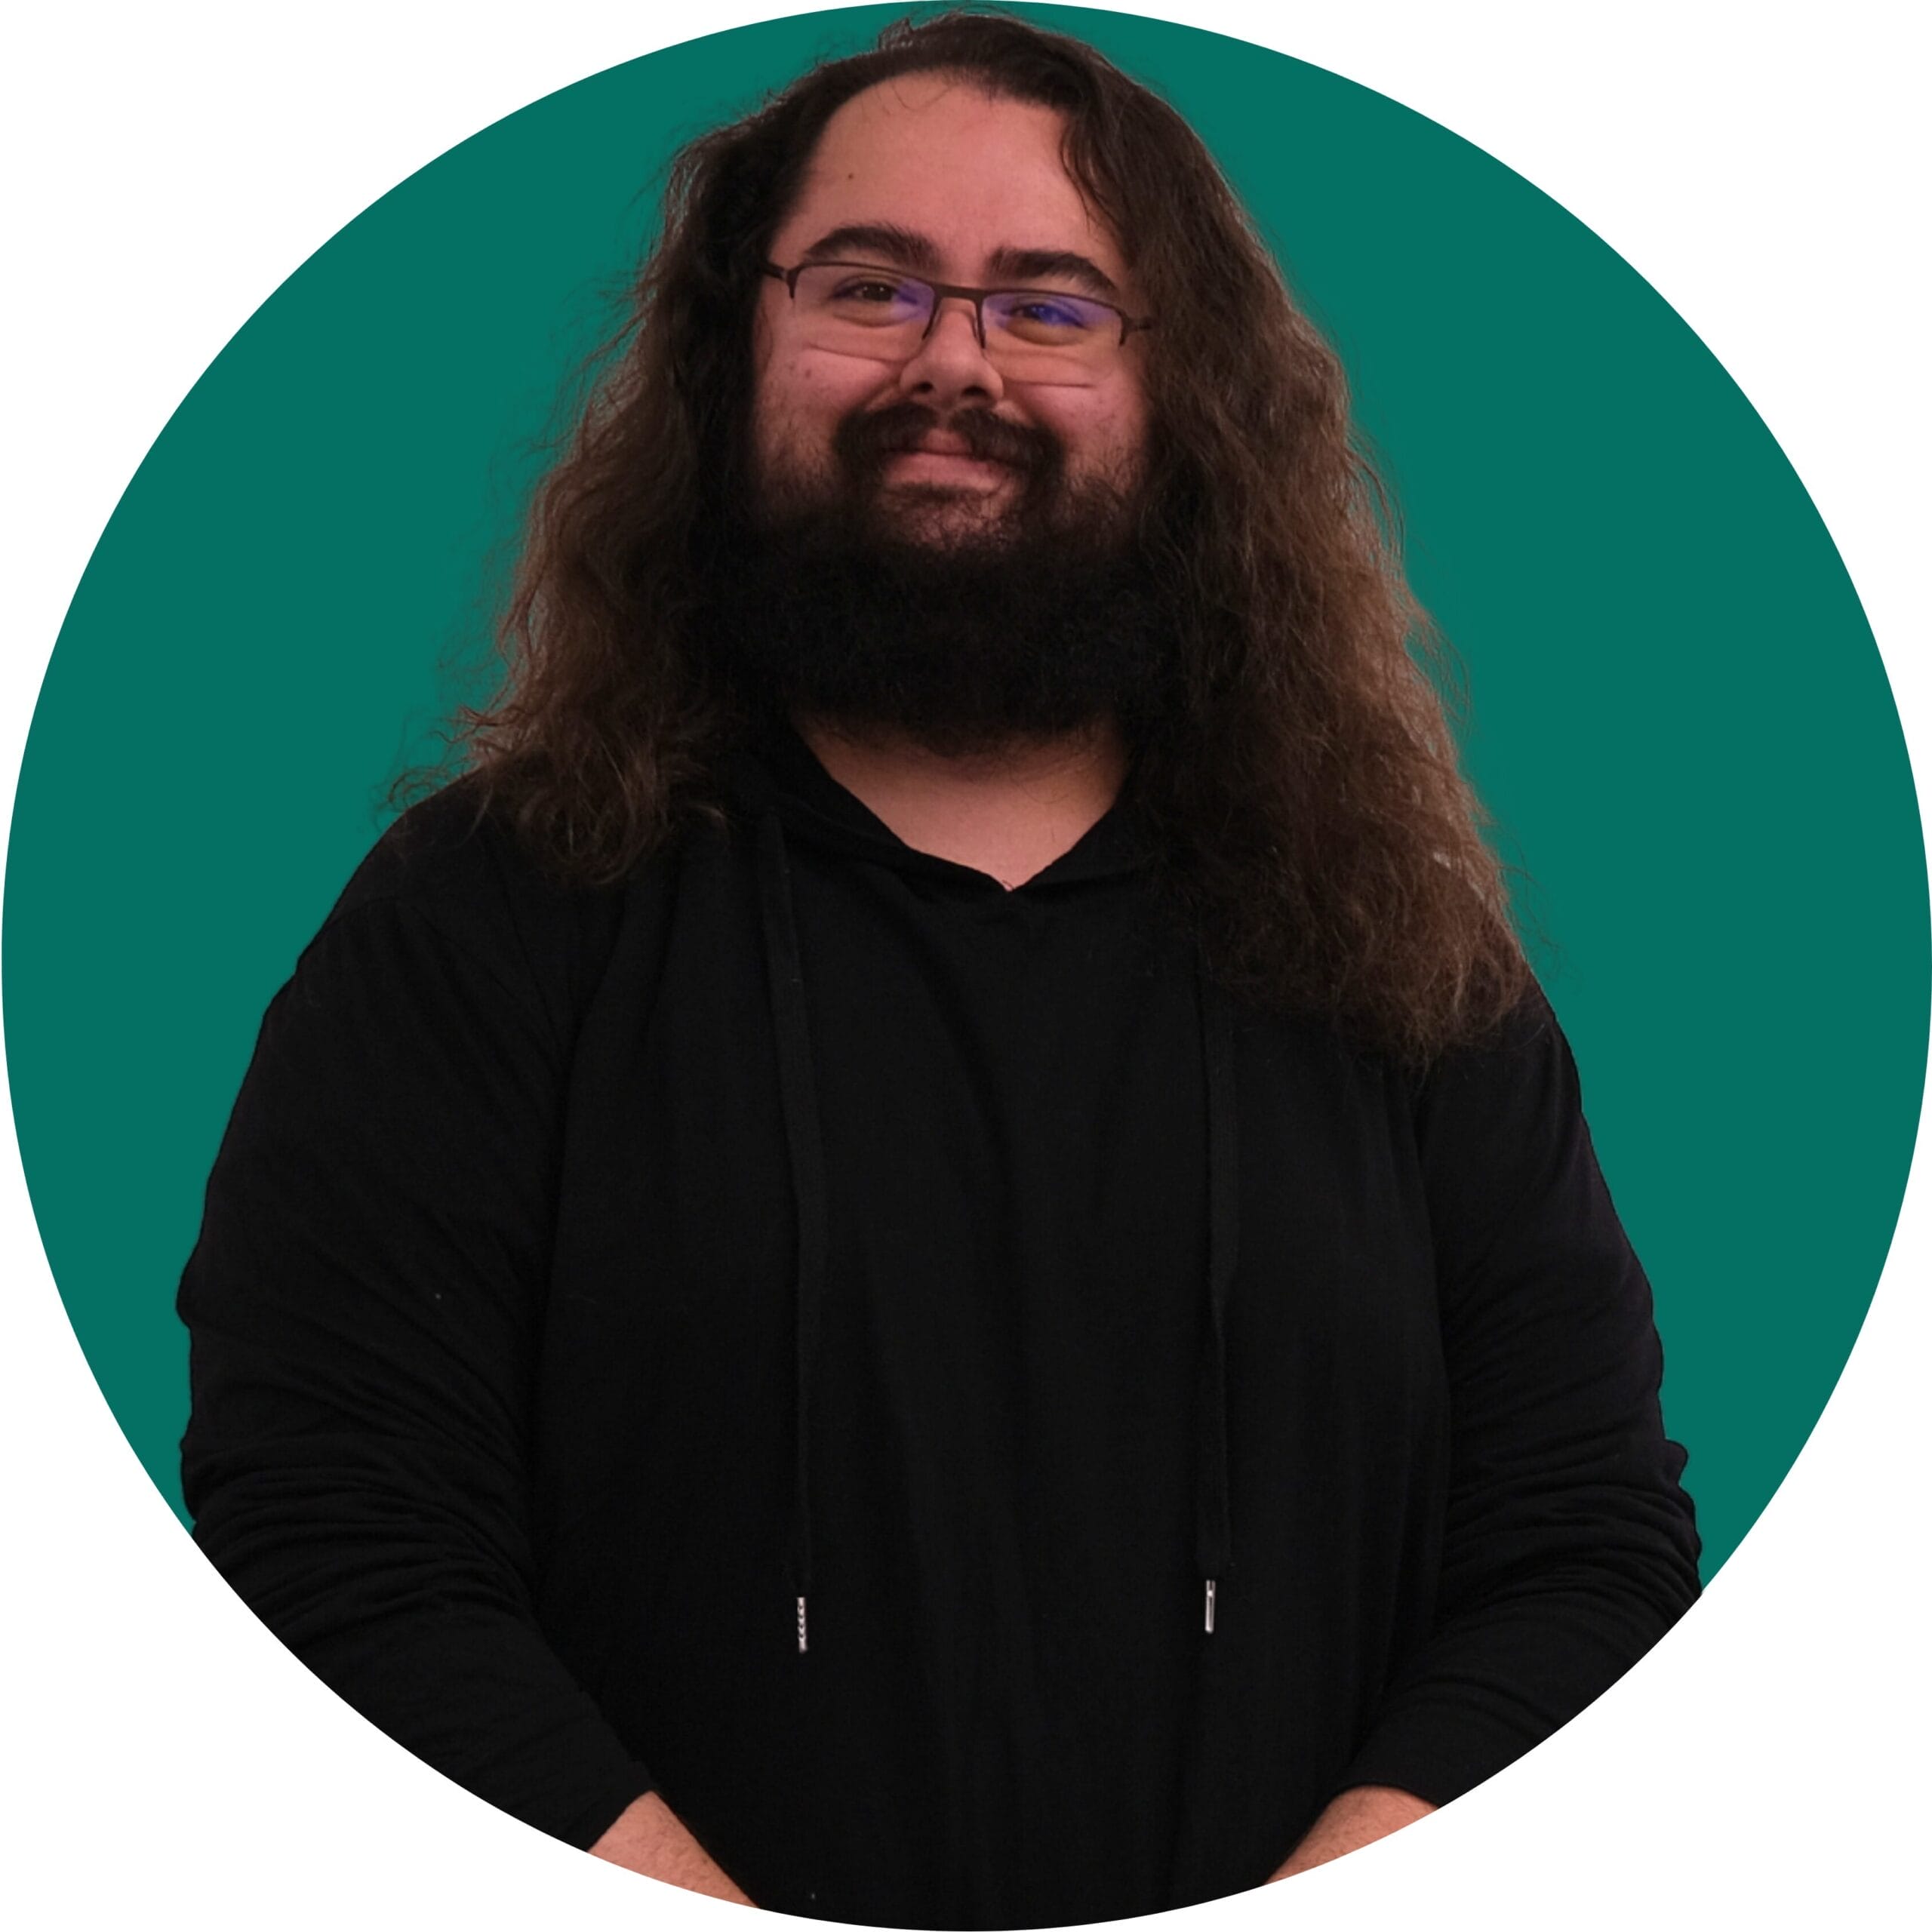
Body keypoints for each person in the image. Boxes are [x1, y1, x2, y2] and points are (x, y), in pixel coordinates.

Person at [178, 12, 1700, 1926]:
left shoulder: (1396, 952)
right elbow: (332, 1521)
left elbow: (1582, 1542)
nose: (950, 361)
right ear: (734, 343)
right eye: (867, 285)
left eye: (1048, 305)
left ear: (1180, 389)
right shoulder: (482, 916)